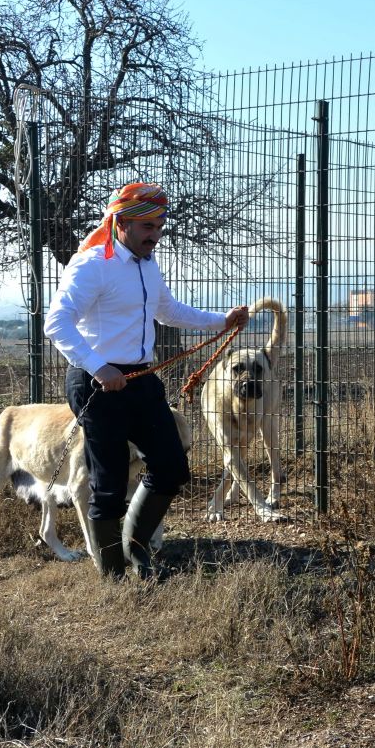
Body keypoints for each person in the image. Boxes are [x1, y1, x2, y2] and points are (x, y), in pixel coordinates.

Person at [45, 182, 249, 579]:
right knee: (108, 484)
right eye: (147, 227)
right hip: (96, 384)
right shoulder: (92, 265)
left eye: (159, 226)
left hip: (141, 381)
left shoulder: (148, 266)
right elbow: (57, 322)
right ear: (121, 223)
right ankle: (114, 577)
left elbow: (168, 311)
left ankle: (136, 555)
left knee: (171, 468)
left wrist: (221, 321)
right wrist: (97, 366)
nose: (155, 235)